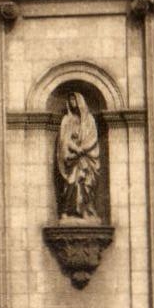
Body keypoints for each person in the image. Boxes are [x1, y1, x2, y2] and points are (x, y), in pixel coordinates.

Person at [55, 90, 100, 219]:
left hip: (86, 157)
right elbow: (64, 140)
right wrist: (75, 149)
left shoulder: (89, 119)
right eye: (70, 100)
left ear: (80, 101)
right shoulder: (67, 120)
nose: (72, 102)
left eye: (74, 100)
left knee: (85, 182)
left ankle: (84, 209)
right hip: (72, 157)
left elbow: (93, 137)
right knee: (70, 182)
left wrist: (83, 149)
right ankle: (65, 210)